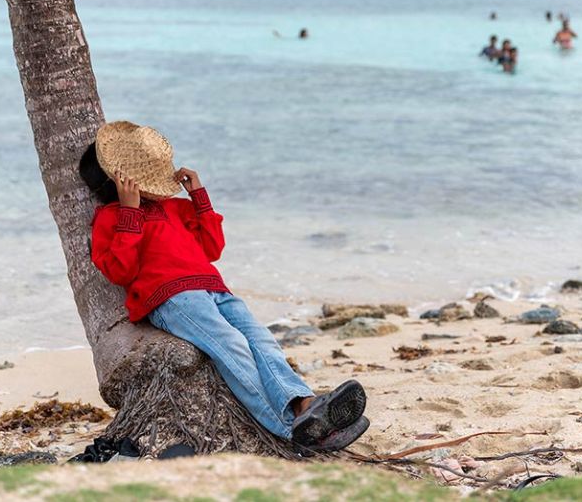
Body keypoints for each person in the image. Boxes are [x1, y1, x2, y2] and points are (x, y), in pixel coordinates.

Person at [79, 122, 369, 453]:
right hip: (172, 298)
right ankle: (290, 429)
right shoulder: (111, 218)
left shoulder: (174, 207)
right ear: (114, 182)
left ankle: (304, 404)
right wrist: (129, 212)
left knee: (261, 340)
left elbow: (212, 247)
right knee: (231, 346)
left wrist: (198, 194)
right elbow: (120, 270)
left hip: (215, 289)